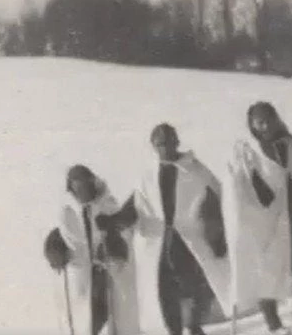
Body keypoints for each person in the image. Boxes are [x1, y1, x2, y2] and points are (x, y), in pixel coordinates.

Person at [95, 124, 230, 335]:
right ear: (153, 146)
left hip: (190, 240)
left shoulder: (195, 170)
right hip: (160, 243)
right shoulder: (147, 176)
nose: (165, 148)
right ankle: (174, 330)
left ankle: (194, 326)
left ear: (177, 142)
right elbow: (134, 208)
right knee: (165, 291)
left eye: (169, 142)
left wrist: (217, 234)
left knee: (199, 286)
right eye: (160, 144)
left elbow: (214, 201)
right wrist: (113, 221)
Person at [226, 102, 292, 334]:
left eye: (269, 119)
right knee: (268, 270)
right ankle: (273, 323)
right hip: (266, 219)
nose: (266, 125)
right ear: (252, 125)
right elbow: (239, 184)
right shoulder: (248, 151)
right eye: (260, 121)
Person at [43, 164, 140, 335]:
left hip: (107, 272)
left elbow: (123, 231)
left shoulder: (108, 205)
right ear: (71, 188)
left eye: (86, 184)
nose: (82, 190)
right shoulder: (67, 211)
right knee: (85, 320)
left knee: (113, 316)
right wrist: (54, 249)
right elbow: (61, 235)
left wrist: (114, 247)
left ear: (93, 183)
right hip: (82, 273)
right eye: (77, 186)